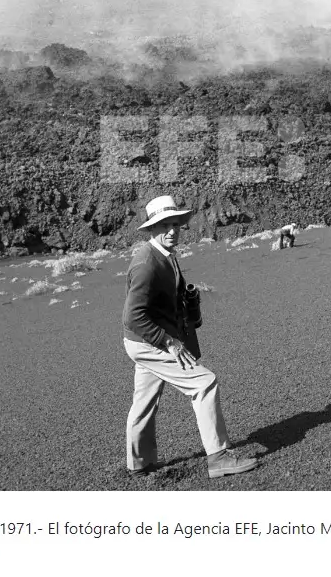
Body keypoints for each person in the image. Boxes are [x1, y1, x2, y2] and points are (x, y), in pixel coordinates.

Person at [122, 195, 257, 479]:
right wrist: (169, 341)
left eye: (176, 224)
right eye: (164, 225)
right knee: (204, 383)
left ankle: (139, 463)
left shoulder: (164, 255)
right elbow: (132, 317)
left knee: (144, 401)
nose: (172, 231)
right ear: (150, 229)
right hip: (148, 342)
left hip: (144, 340)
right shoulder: (147, 263)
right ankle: (219, 458)